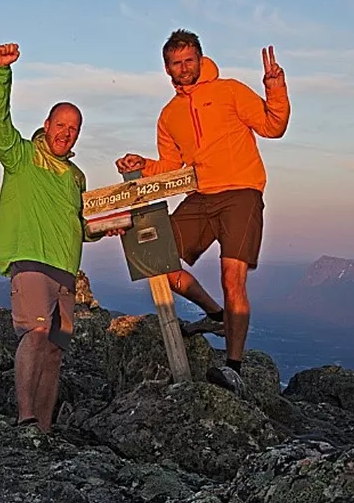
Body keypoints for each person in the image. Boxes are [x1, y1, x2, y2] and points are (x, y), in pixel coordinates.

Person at [116, 29, 290, 396]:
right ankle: (215, 315)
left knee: (232, 278)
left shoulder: (229, 91)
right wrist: (142, 164)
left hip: (241, 190)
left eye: (188, 60)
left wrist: (275, 89)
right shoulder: (169, 115)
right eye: (176, 63)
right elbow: (171, 165)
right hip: (201, 194)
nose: (183, 68)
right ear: (167, 69)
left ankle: (233, 368)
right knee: (155, 256)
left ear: (199, 58)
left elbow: (274, 127)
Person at [0, 42, 111, 434]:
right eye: (61, 125)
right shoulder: (21, 155)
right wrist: (0, 72)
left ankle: (43, 429)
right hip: (30, 260)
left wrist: (111, 225)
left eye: (73, 130)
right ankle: (24, 419)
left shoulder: (76, 178)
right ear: (48, 124)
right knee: (36, 332)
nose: (66, 134)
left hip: (66, 271)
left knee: (55, 350)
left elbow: (82, 226)